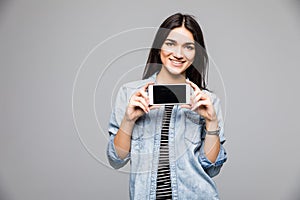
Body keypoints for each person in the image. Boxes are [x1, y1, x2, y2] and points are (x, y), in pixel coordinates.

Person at [107, 13, 227, 200]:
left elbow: (211, 167)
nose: (178, 54)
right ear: (159, 46)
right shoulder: (130, 94)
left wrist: (211, 123)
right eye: (171, 44)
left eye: (188, 47)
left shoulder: (207, 100)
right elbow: (116, 159)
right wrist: (128, 121)